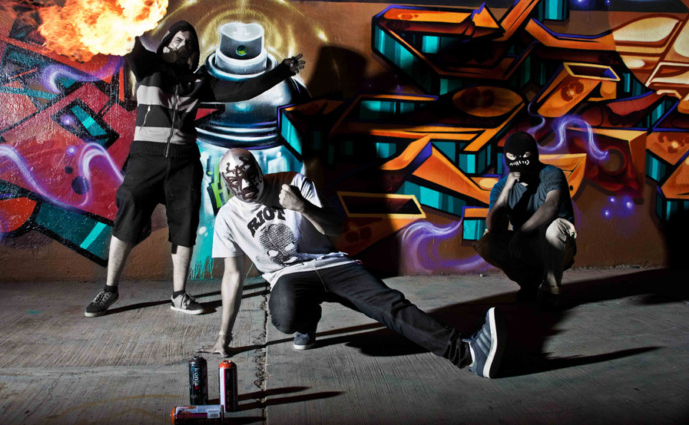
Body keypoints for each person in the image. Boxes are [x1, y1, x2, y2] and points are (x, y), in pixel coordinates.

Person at [201, 148, 507, 378]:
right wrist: (223, 337)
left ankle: (467, 354)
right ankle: (307, 321)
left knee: (389, 305)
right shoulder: (228, 217)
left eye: (250, 176)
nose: (245, 186)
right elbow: (232, 276)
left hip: (332, 264)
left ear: (259, 169)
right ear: (227, 184)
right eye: (235, 182)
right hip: (288, 276)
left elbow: (336, 228)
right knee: (285, 316)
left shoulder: (293, 182)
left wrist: (302, 206)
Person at [84, 21, 305, 318]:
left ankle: (179, 295)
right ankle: (109, 289)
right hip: (145, 160)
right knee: (127, 220)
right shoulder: (148, 67)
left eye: (188, 42)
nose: (182, 45)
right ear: (165, 44)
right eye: (177, 39)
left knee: (184, 227)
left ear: (194, 53)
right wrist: (125, 17)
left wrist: (281, 71)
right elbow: (131, 43)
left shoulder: (201, 82)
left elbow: (242, 89)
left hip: (184, 163)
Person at [475, 131, 577, 309]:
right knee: (486, 242)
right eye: (513, 157)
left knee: (555, 228)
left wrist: (521, 232)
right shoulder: (501, 187)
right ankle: (529, 283)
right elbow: (493, 227)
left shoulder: (551, 174)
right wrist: (507, 190)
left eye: (525, 156)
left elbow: (551, 206)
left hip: (558, 247)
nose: (519, 161)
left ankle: (550, 290)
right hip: (525, 247)